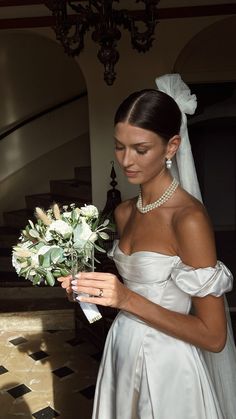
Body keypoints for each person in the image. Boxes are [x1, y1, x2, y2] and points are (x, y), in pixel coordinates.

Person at [58, 74, 236, 419]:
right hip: (121, 348)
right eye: (119, 146)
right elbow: (139, 291)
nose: (126, 161)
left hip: (169, 366)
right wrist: (89, 291)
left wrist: (125, 299)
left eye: (140, 149)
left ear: (171, 147)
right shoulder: (124, 212)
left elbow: (215, 337)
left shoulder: (188, 219)